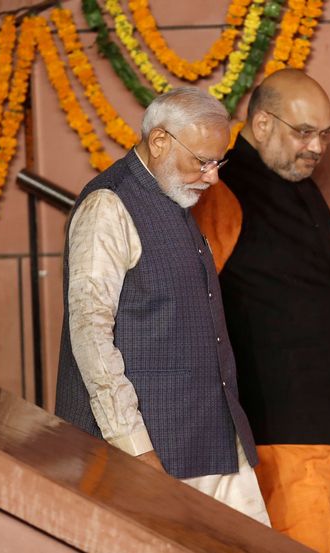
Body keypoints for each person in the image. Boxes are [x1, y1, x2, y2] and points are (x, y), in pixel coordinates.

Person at [193, 70, 330, 553]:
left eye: (325, 133)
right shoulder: (221, 189)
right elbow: (187, 312)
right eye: (303, 132)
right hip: (281, 438)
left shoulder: (296, 180)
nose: (317, 147)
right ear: (261, 123)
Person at [55, 87, 270, 526]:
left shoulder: (174, 195)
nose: (212, 177)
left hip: (210, 443)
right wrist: (136, 449)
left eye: (218, 162)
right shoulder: (108, 205)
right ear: (159, 142)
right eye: (203, 162)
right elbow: (91, 336)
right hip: (144, 455)